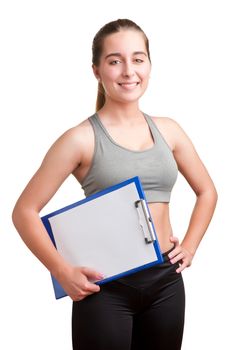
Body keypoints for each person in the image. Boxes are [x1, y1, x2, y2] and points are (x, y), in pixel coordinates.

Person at [12, 18, 217, 350]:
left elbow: (207, 191)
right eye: (114, 61)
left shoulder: (170, 130)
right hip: (105, 286)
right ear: (96, 70)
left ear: (149, 65)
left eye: (138, 58)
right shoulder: (80, 139)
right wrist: (62, 271)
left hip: (166, 281)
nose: (128, 70)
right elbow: (24, 211)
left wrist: (190, 246)